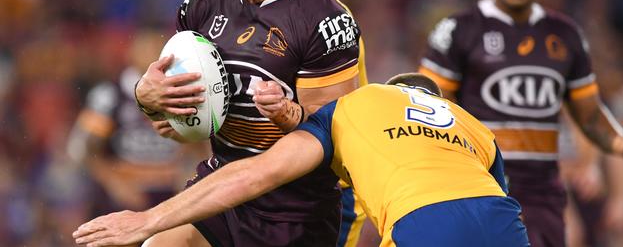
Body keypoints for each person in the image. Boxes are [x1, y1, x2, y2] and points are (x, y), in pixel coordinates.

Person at [132, 0, 361, 246]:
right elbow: (177, 122)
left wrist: (290, 115)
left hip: (295, 211)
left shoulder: (326, 21)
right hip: (220, 188)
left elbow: (336, 141)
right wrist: (149, 99)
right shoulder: (203, 2)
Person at [73, 73, 530, 247]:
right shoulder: (472, 124)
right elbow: (493, 199)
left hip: (423, 222)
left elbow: (255, 174)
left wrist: (147, 221)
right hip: (501, 218)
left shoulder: (356, 106)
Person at [418, 0, 623, 246]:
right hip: (483, 186)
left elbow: (589, 114)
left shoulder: (565, 35)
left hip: (544, 195)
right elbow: (427, 107)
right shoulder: (457, 31)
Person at [291, 0, 369, 247]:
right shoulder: (261, 15)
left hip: (329, 189)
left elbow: (324, 120)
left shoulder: (333, 22)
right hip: (278, 184)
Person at [66, 29, 191, 216]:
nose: (154, 56)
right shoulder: (109, 96)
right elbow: (81, 150)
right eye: (147, 49)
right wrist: (114, 182)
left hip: (171, 198)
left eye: (160, 49)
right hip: (122, 201)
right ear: (132, 54)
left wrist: (189, 174)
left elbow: (201, 143)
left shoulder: (183, 93)